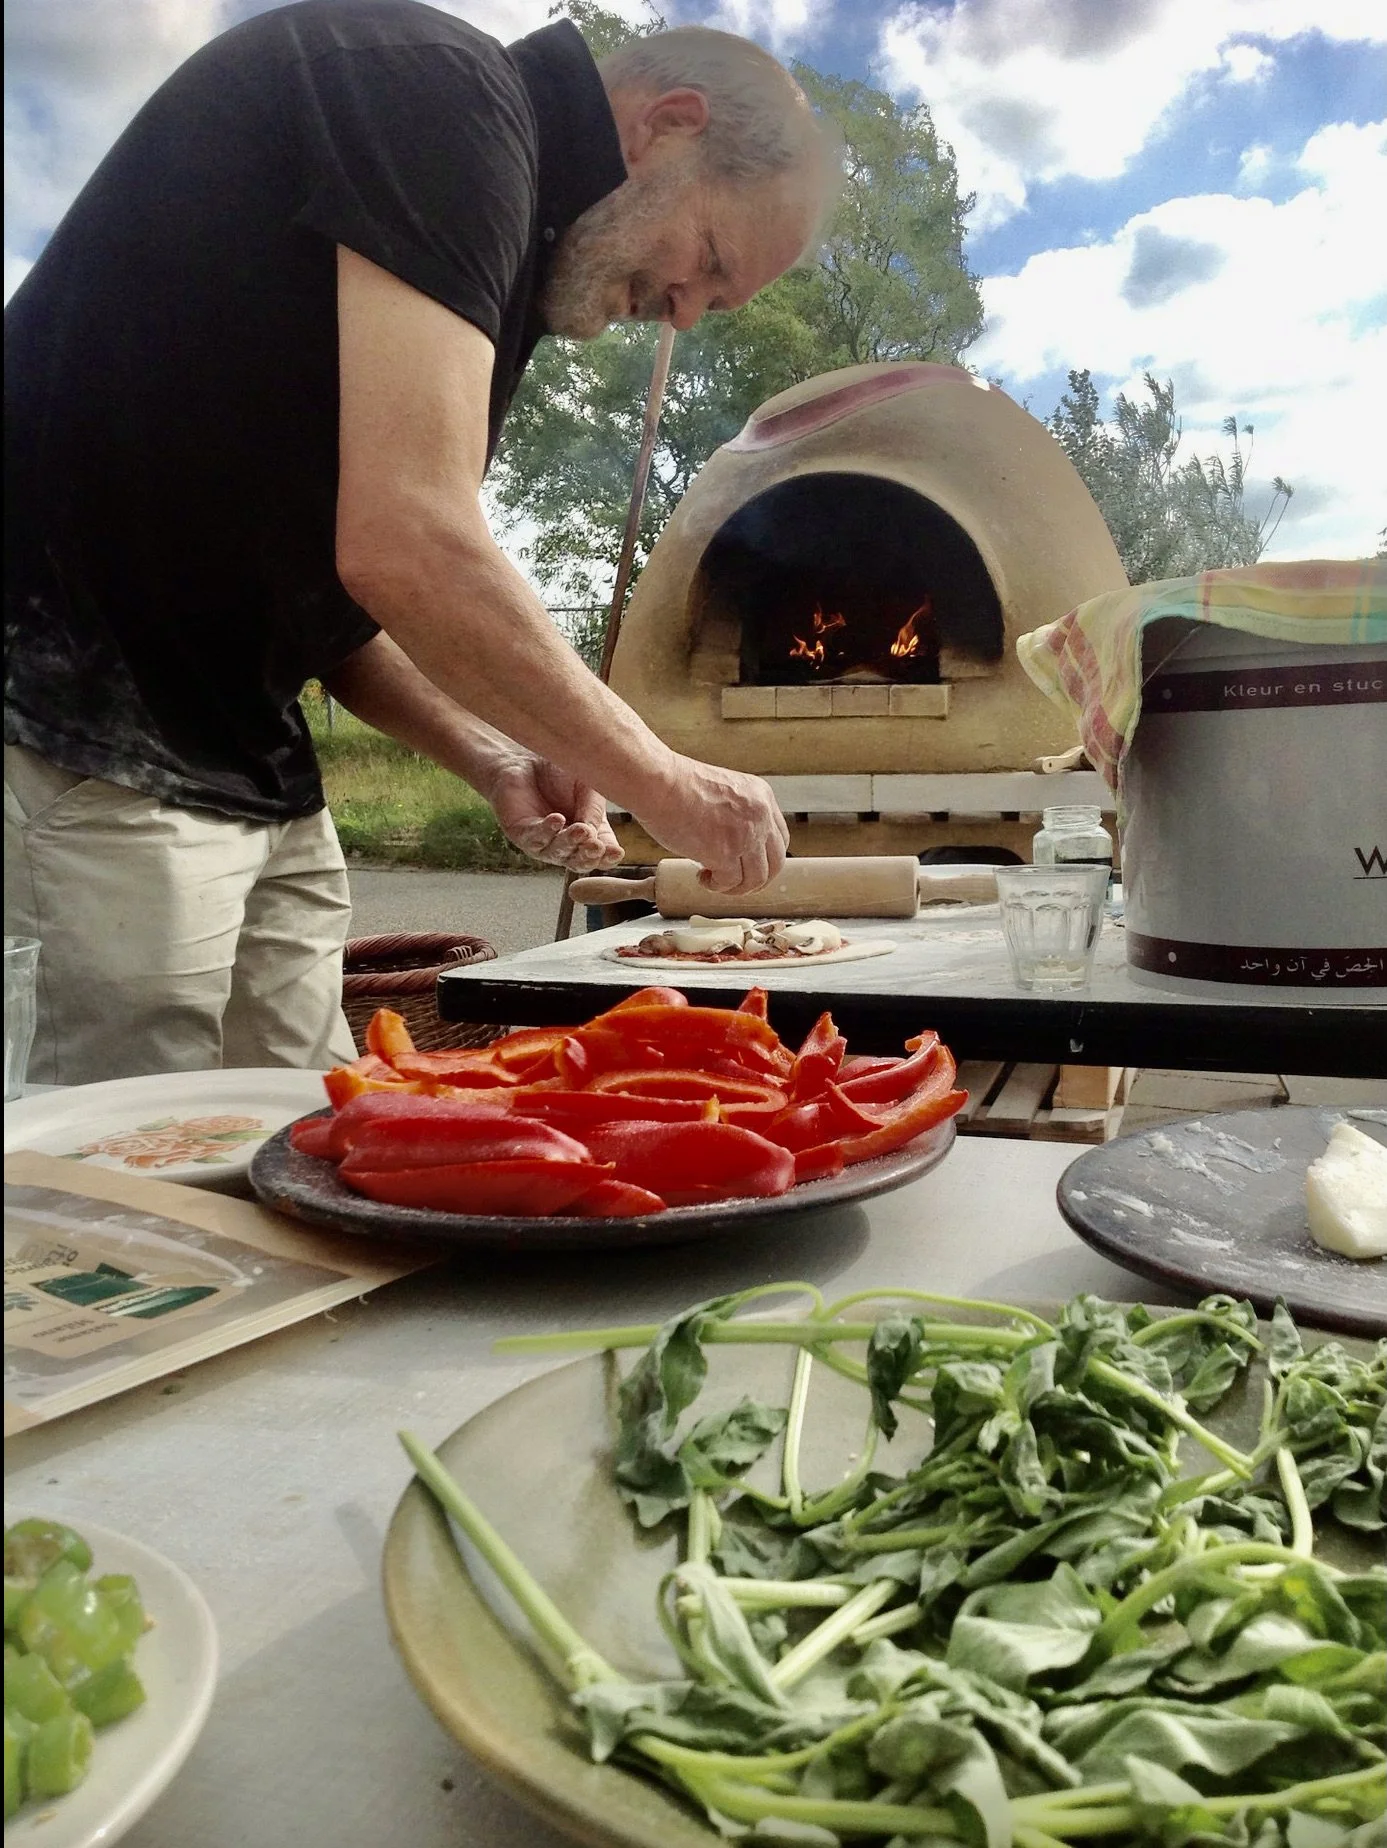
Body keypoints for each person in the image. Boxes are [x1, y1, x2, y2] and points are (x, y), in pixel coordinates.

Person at [4, 4, 840, 1085]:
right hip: (78, 719)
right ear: (667, 126)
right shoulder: (442, 96)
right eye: (710, 262)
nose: (683, 314)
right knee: (127, 1195)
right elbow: (409, 541)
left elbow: (341, 592)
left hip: (246, 752)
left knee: (308, 1139)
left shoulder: (498, 244)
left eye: (715, 302)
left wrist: (493, 754)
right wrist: (661, 778)